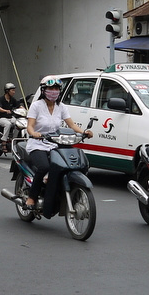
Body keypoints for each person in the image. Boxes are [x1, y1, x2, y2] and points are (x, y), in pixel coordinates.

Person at [24, 77, 92, 214]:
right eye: (51, 89)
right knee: (44, 167)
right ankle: (32, 197)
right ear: (44, 90)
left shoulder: (61, 107)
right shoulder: (36, 106)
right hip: (37, 144)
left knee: (70, 164)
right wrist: (34, 133)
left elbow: (71, 125)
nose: (54, 91)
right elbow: (30, 126)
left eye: (56, 89)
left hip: (55, 144)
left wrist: (84, 132)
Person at [0, 82, 20, 152]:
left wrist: (24, 109)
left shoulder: (13, 99)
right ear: (7, 91)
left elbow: (18, 106)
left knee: (18, 123)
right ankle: (4, 141)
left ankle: (13, 139)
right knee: (8, 124)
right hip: (1, 118)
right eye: (12, 90)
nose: (14, 92)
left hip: (10, 117)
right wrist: (6, 111)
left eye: (14, 90)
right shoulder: (1, 99)